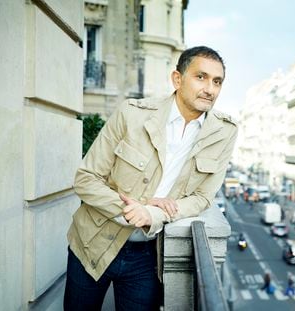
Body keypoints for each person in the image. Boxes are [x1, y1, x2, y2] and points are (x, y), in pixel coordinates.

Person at [63, 46, 238, 311]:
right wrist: (139, 207)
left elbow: (202, 198)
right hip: (92, 242)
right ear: (177, 79)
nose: (210, 89)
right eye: (200, 77)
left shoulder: (224, 132)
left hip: (148, 258)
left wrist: (153, 215)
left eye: (217, 81)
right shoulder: (132, 114)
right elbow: (86, 178)